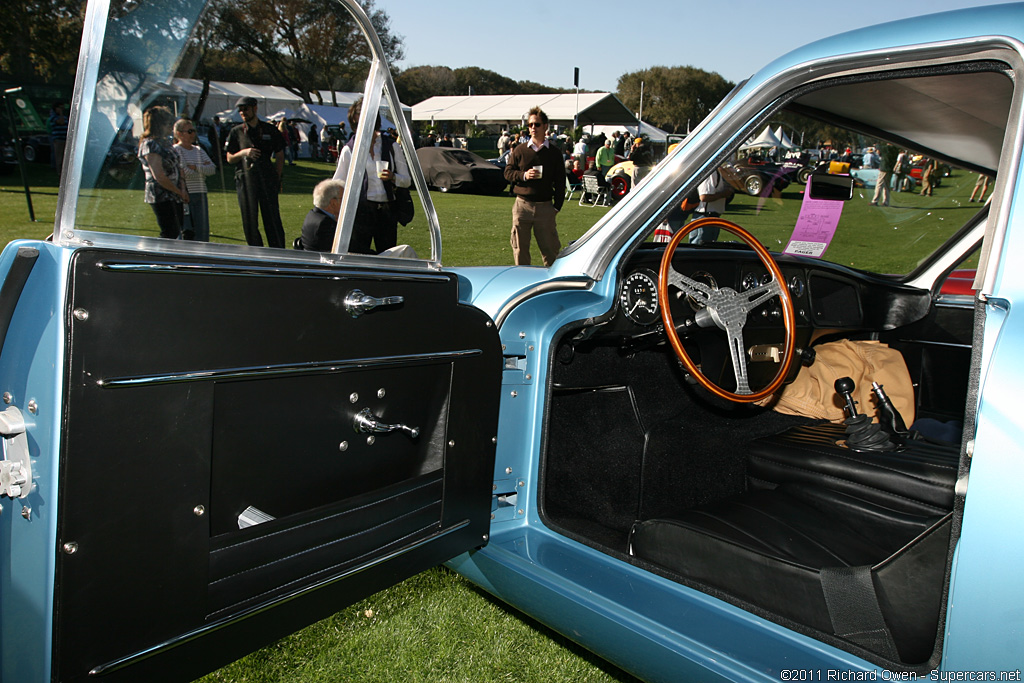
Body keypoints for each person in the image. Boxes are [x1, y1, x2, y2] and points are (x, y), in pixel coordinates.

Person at [331, 97, 411, 254]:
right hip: (361, 212)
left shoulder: (392, 146)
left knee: (388, 257)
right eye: (357, 125)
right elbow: (338, 183)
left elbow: (407, 180)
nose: (362, 129)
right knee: (359, 257)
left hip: (387, 211)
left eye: (366, 123)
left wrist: (393, 177)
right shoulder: (349, 149)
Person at [502, 106, 567, 266]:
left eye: (536, 124)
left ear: (545, 127)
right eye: (530, 125)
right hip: (522, 206)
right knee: (520, 251)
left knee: (550, 252)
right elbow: (508, 172)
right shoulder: (520, 150)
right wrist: (524, 175)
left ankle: (553, 287)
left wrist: (556, 207)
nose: (532, 128)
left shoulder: (554, 153)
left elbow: (560, 182)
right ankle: (522, 283)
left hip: (545, 207)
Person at [225, 96, 286, 248]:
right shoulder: (236, 132)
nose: (243, 113)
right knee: (249, 220)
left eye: (245, 109)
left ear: (255, 108)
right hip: (245, 180)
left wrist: (277, 178)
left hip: (267, 179)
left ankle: (278, 252)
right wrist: (243, 153)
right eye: (240, 110)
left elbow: (280, 155)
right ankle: (256, 253)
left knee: (272, 218)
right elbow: (229, 158)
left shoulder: (269, 130)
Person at [138, 105, 188, 239]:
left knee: (177, 229)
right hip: (161, 194)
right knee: (169, 231)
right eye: (167, 124)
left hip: (175, 193)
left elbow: (178, 165)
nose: (169, 127)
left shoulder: (165, 142)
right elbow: (158, 175)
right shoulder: (150, 144)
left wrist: (182, 188)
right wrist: (179, 192)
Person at [173, 117, 216, 241]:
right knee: (187, 229)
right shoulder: (176, 150)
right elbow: (184, 171)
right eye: (190, 131)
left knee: (202, 228)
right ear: (179, 134)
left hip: (201, 191)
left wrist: (196, 167)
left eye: (194, 131)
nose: (194, 134)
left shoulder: (198, 150)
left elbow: (212, 169)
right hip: (186, 193)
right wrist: (201, 169)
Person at [689, 168, 733, 244]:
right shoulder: (710, 172)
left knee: (705, 253)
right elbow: (704, 197)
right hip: (705, 219)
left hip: (708, 218)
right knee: (699, 253)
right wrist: (724, 194)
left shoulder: (714, 171)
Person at [300, 179, 344, 251]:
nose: (347, 201)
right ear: (333, 203)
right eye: (343, 198)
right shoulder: (326, 224)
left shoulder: (312, 214)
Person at [48, 103, 69, 177]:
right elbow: (61, 122)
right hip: (58, 139)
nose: (61, 109)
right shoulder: (53, 117)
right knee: (59, 157)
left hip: (65, 139)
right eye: (59, 108)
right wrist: (60, 113)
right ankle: (60, 172)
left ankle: (66, 171)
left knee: (65, 156)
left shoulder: (65, 117)